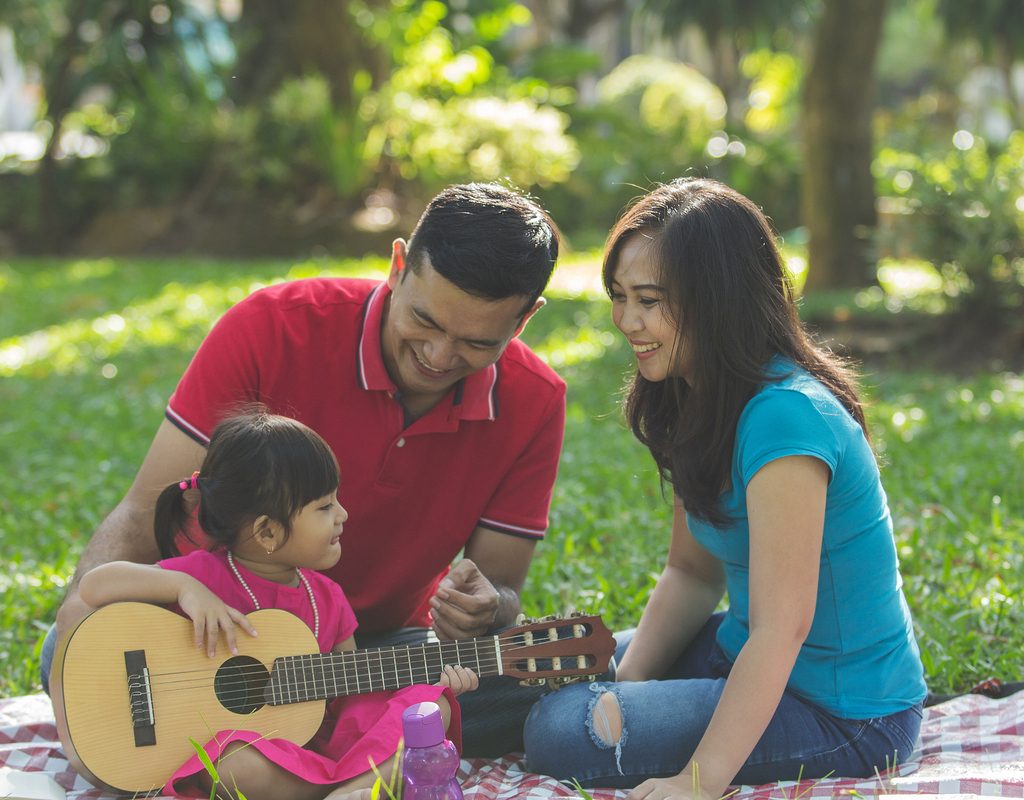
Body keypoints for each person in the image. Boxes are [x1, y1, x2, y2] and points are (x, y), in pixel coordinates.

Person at [44, 182, 566, 757]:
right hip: (205, 635)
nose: (439, 357)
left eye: (475, 342)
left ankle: (298, 740)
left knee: (542, 681)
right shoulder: (273, 326)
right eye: (425, 320)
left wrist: (487, 606)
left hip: (370, 653)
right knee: (72, 651)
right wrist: (76, 633)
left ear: (523, 320)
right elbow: (146, 510)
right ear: (397, 266)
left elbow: (501, 586)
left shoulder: (536, 400)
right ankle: (319, 739)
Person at [523, 178, 927, 799]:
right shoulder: (695, 397)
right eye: (619, 296)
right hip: (743, 652)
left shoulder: (786, 417)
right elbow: (691, 574)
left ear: (717, 298)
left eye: (650, 300)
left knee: (560, 729)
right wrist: (620, 686)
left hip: (847, 713)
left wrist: (698, 780)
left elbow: (781, 627)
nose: (627, 321)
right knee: (558, 660)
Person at [75, 411, 479, 800]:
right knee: (231, 766)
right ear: (267, 531)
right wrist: (182, 587)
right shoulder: (204, 576)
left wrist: (431, 679)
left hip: (312, 746)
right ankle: (352, 789)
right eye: (324, 507)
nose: (343, 515)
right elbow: (94, 585)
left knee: (431, 708)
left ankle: (343, 790)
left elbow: (348, 690)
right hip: (253, 754)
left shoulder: (327, 599)